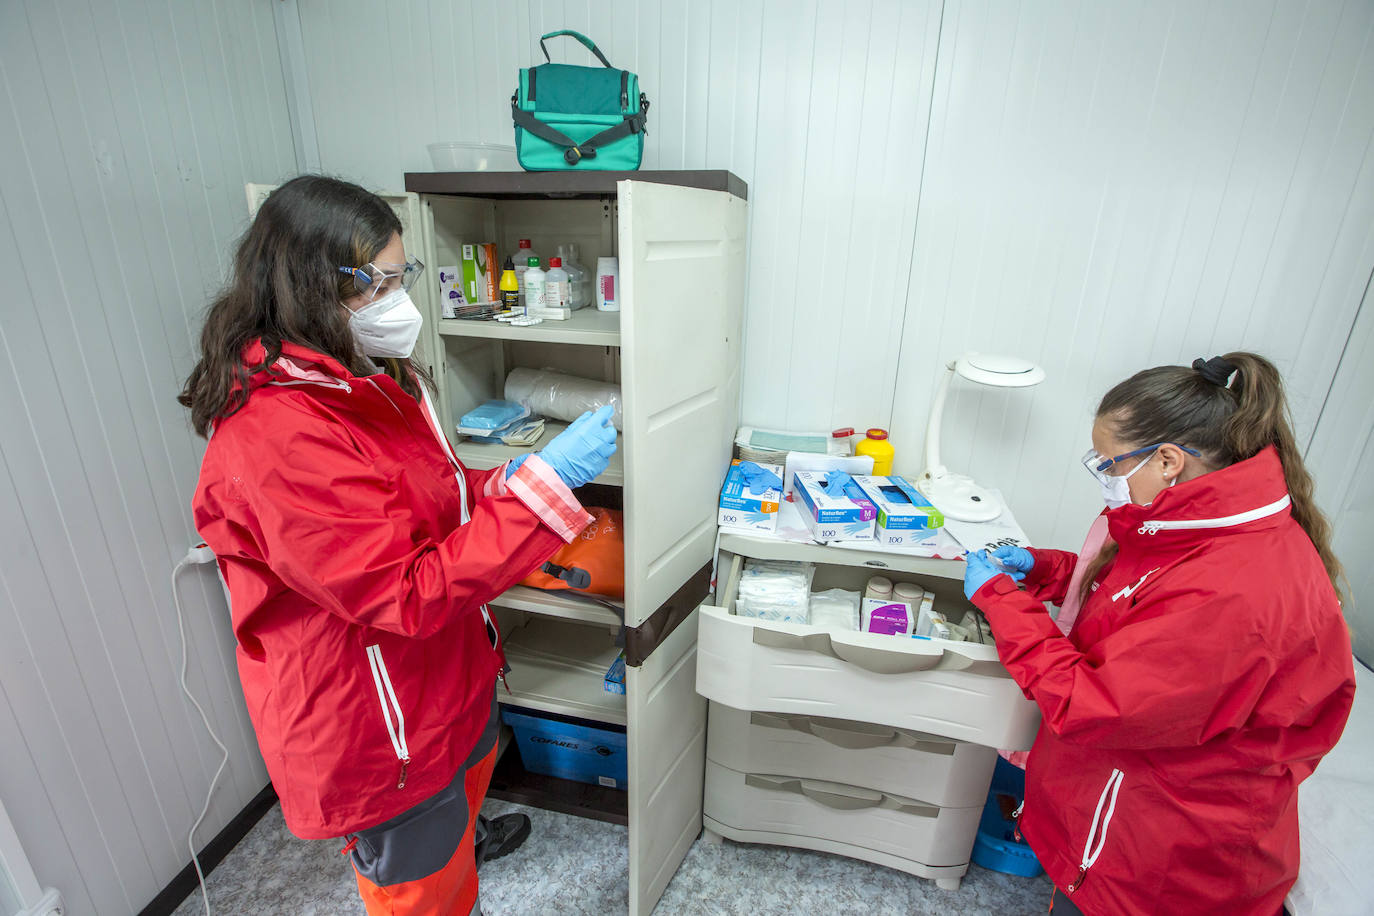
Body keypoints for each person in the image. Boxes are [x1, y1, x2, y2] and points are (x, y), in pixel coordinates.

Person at [180, 175, 617, 916]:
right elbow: (404, 592)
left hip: (441, 677)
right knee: (419, 891)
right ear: (313, 286)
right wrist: (547, 491)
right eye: (379, 283)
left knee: (456, 825)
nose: (398, 301)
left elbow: (430, 494)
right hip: (376, 719)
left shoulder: (363, 379)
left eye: (400, 276)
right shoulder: (278, 437)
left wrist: (512, 479)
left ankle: (461, 861)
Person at [962, 352, 1355, 915]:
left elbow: (1092, 704)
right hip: (1126, 815)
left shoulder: (1239, 590)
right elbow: (1142, 606)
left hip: (1160, 864)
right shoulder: (1197, 531)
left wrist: (1001, 602)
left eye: (1110, 463)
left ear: (1169, 460)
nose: (1105, 478)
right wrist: (1048, 570)